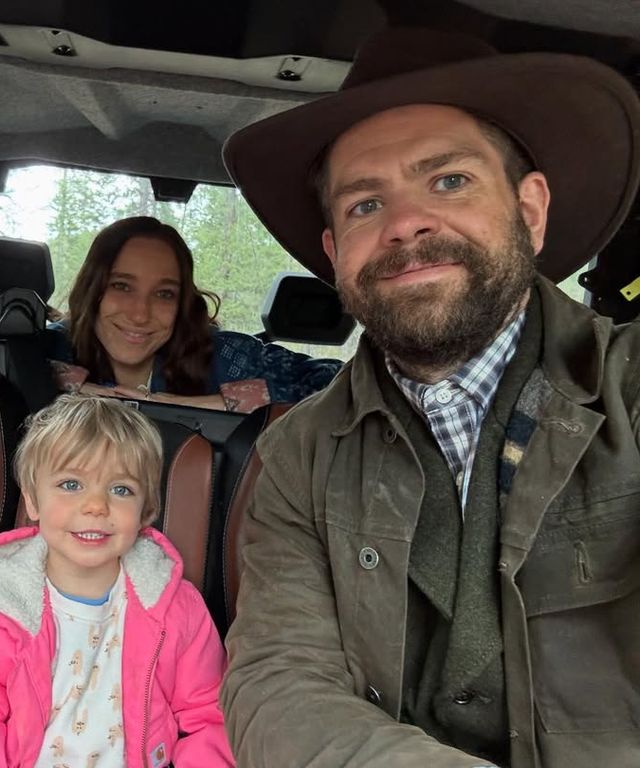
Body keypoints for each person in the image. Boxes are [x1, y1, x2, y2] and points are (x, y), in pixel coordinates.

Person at [218, 27, 640, 768]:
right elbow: (278, 683)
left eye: (448, 181)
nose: (404, 223)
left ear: (530, 210)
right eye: (364, 204)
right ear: (334, 254)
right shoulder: (298, 452)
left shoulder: (627, 388)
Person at [0, 395, 235, 767]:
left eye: (120, 490)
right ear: (33, 501)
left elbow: (211, 717)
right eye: (70, 484)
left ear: (146, 511)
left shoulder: (177, 607)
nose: (96, 505)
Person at [0, 216, 340, 412]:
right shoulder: (48, 346)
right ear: (94, 290)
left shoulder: (225, 357)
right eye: (121, 286)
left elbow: (332, 384)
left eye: (164, 294)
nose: (141, 314)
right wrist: (78, 388)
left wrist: (172, 404)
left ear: (182, 304)